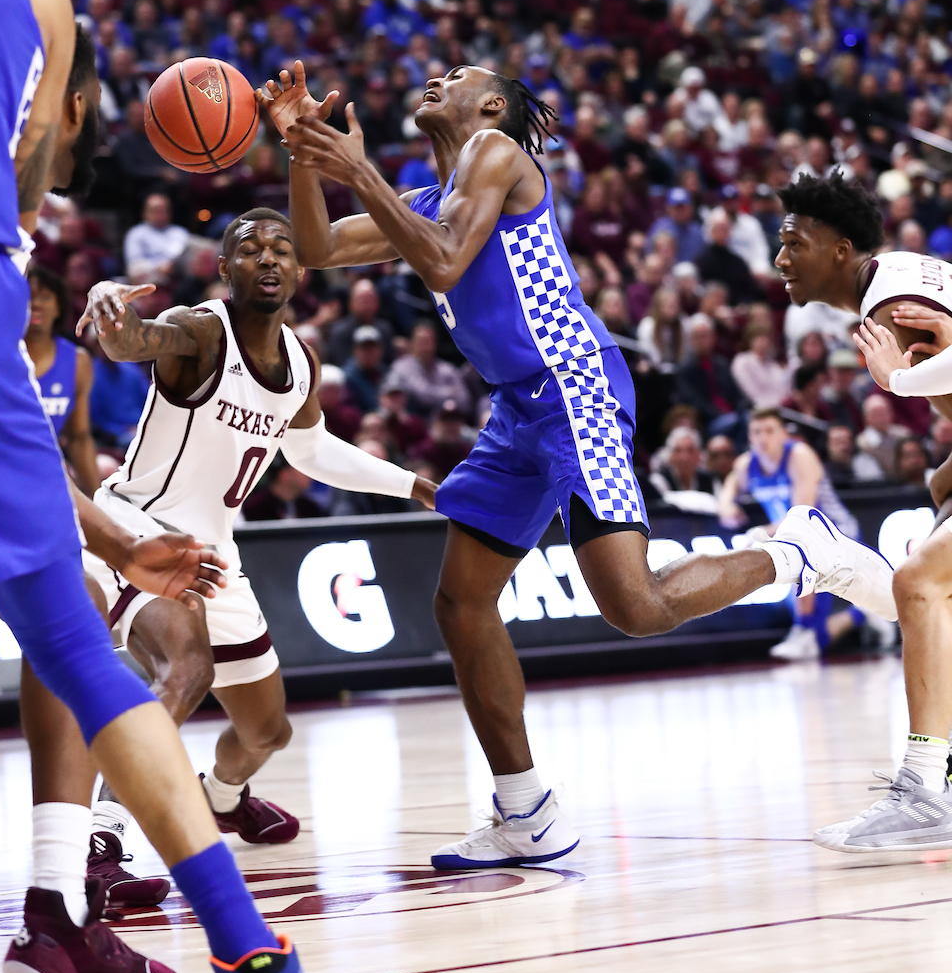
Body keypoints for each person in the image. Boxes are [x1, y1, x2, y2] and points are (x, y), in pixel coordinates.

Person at [262, 59, 894, 871]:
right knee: (461, 603)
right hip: (516, 407)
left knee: (636, 606)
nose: (433, 80)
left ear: (491, 103)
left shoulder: (496, 152)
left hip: (573, 386)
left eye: (455, 74)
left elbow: (446, 261)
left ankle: (796, 551)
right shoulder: (425, 202)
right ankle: (525, 811)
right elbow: (315, 248)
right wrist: (305, 154)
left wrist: (356, 170)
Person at [0, 0, 313, 973]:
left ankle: (63, 897)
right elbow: (38, 196)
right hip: (140, 508)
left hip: (183, 538)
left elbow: (307, 445)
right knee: (87, 646)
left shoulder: (299, 362)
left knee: (101, 639)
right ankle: (243, 951)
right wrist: (125, 537)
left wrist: (121, 546)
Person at [76, 209, 435, 900]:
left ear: (299, 271)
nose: (267, 258)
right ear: (224, 269)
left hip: (216, 553)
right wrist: (111, 312)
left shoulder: (302, 361)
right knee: (187, 668)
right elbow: (132, 343)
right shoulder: (201, 331)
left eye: (281, 248)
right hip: (139, 531)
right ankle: (102, 839)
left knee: (267, 732)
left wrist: (417, 486)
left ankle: (222, 797)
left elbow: (310, 450)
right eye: (249, 248)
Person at [773, 170, 952, 851]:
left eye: (795, 243)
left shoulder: (892, 302)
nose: (781, 258)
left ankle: (924, 791)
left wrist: (898, 379)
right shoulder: (898, 275)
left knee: (920, 582)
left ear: (840, 249)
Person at [719, 408, 862, 661]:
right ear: (750, 437)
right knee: (819, 637)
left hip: (836, 531)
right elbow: (731, 484)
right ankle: (857, 617)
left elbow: (802, 516)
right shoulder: (746, 464)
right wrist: (727, 505)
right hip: (795, 535)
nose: (763, 438)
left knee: (799, 552)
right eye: (756, 432)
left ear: (784, 434)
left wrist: (758, 532)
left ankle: (804, 629)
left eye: (769, 431)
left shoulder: (799, 456)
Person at [24, 263, 100, 497]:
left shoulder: (77, 361)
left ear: (59, 307)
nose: (36, 304)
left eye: (45, 297)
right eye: (29, 297)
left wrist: (97, 497)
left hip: (45, 471)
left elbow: (79, 438)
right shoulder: (0, 353)